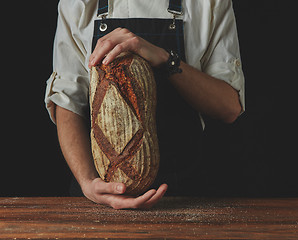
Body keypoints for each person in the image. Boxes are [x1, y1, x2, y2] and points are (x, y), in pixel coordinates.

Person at [45, 0, 245, 209]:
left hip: (185, 198)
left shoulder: (208, 4)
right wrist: (87, 183)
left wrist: (165, 60)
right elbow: (67, 102)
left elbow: (229, 106)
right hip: (100, 198)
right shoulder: (78, 4)